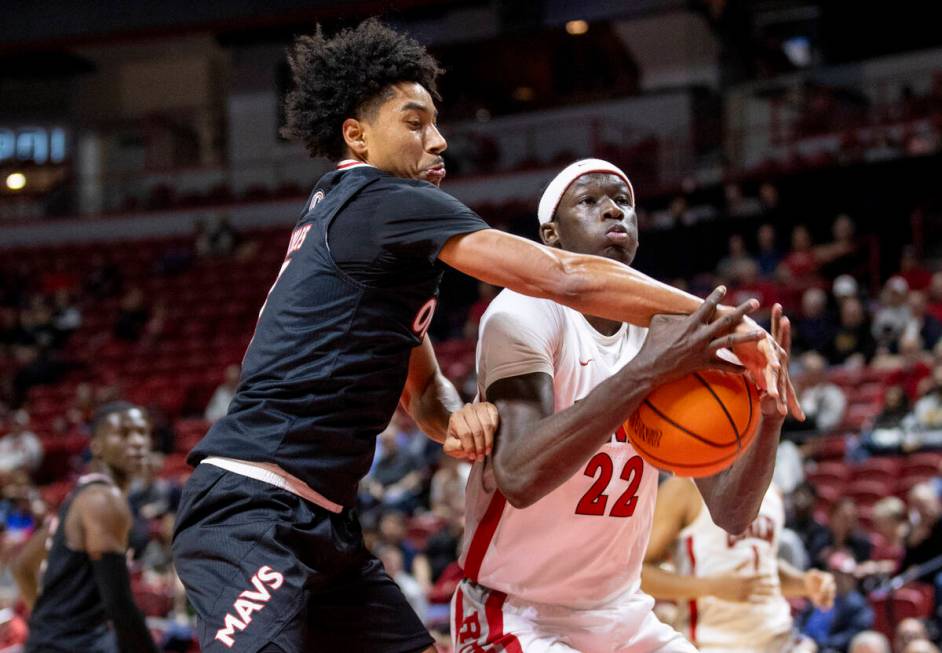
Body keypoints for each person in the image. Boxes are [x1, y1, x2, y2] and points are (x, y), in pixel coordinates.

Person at [172, 20, 797, 653]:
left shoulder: (386, 250)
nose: (438, 141)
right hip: (252, 506)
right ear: (356, 136)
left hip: (325, 520)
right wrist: (732, 325)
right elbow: (564, 279)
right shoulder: (377, 197)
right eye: (415, 124)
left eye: (436, 123)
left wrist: (458, 421)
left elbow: (422, 398)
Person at [451, 159, 795, 652]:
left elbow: (731, 513)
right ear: (551, 235)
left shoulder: (671, 330)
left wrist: (769, 417)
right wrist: (648, 371)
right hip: (516, 610)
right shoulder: (520, 311)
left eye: (624, 201)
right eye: (589, 201)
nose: (613, 208)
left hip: (622, 611)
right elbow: (519, 476)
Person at [12, 401, 159, 653]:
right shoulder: (102, 500)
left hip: (57, 641)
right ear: (97, 445)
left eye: (143, 432)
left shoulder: (81, 496)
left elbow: (22, 566)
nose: (137, 441)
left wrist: (47, 624)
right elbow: (120, 605)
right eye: (123, 433)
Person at [643, 482, 835, 653]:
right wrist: (710, 587)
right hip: (711, 643)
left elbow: (762, 570)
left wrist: (804, 584)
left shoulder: (772, 492)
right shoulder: (685, 488)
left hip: (778, 638)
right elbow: (639, 574)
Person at [798, 551, 874, 653]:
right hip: (803, 642)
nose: (839, 579)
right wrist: (799, 636)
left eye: (843, 575)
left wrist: (820, 644)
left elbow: (852, 635)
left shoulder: (858, 605)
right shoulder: (819, 595)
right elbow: (801, 619)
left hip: (827, 648)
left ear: (852, 578)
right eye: (835, 574)